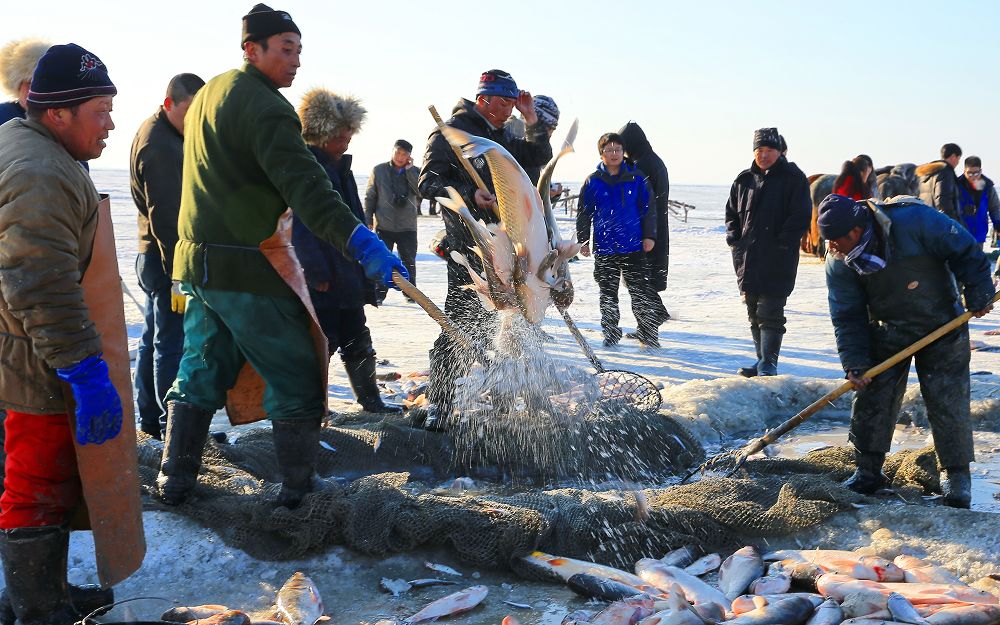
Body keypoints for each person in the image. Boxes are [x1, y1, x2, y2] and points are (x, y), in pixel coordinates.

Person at [157, 4, 406, 508]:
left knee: (203, 366)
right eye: (285, 50)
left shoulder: (210, 92)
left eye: (299, 51)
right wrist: (361, 242)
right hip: (246, 265)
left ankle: (174, 478)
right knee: (295, 369)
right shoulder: (266, 106)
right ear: (253, 49)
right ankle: (298, 486)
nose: (295, 61)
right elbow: (310, 190)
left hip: (199, 265)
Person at [0, 43, 120, 624]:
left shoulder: (31, 146)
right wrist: (83, 368)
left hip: (26, 340)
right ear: (58, 114)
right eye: (100, 111)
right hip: (29, 351)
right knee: (36, 478)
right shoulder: (40, 172)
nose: (111, 123)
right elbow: (38, 283)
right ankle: (37, 610)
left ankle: (45, 592)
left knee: (44, 475)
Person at [817, 193, 994, 508]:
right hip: (886, 330)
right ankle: (867, 471)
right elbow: (847, 315)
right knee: (873, 398)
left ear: (855, 230)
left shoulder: (913, 220)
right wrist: (855, 362)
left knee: (947, 399)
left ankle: (956, 477)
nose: (832, 247)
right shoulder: (839, 262)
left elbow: (965, 249)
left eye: (836, 240)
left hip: (943, 323)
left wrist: (978, 288)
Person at [417, 69, 552, 426]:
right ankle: (441, 404)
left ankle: (505, 395)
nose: (510, 110)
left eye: (513, 104)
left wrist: (532, 118)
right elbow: (427, 182)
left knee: (507, 321)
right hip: (469, 248)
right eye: (505, 103)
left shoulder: (502, 136)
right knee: (460, 322)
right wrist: (469, 195)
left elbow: (538, 155)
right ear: (484, 100)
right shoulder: (450, 133)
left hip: (506, 247)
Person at [293, 88, 402, 414]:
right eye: (341, 136)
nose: (347, 141)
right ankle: (311, 407)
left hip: (347, 269)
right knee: (322, 340)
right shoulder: (309, 165)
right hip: (324, 273)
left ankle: (370, 400)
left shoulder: (340, 166)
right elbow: (300, 223)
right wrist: (314, 269)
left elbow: (353, 215)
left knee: (356, 333)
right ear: (323, 134)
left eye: (349, 134)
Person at [130, 73, 205, 440]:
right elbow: (166, 216)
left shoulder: (170, 134)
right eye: (189, 110)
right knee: (170, 343)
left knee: (152, 340)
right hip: (165, 258)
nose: (194, 120)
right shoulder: (159, 144)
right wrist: (179, 274)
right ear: (169, 103)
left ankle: (149, 419)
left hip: (154, 254)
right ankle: (169, 426)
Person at [725, 127, 811, 377]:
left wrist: (783, 242)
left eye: (769, 150)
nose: (764, 155)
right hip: (747, 257)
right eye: (759, 150)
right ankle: (761, 360)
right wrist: (734, 239)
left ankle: (769, 364)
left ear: (780, 152)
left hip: (778, 258)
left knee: (771, 312)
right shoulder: (744, 180)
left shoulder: (793, 178)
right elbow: (731, 213)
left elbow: (801, 216)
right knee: (753, 310)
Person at [576, 132, 659, 347]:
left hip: (633, 245)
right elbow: (584, 212)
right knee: (607, 293)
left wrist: (649, 236)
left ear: (624, 152)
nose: (614, 154)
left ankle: (648, 335)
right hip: (605, 247)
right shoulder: (593, 181)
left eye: (618, 149)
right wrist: (584, 241)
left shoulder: (637, 177)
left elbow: (648, 209)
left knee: (640, 292)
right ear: (601, 154)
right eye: (609, 150)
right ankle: (611, 334)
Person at [619, 121, 671, 328]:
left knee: (640, 281)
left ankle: (651, 324)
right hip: (652, 230)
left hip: (643, 232)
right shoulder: (651, 161)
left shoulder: (642, 165)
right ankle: (647, 326)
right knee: (641, 281)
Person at [365, 139, 420, 300]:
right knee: (382, 261)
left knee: (408, 261)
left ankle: (411, 295)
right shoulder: (379, 170)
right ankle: (378, 294)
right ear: (393, 151)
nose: (400, 157)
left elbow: (420, 190)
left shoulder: (415, 171)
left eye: (404, 154)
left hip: (408, 226)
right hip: (384, 225)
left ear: (409, 157)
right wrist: (368, 217)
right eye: (398, 153)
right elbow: (370, 196)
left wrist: (410, 171)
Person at [504, 94, 560, 183]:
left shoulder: (536, 147)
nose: (550, 134)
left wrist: (554, 195)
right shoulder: (512, 131)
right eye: (549, 128)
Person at [0, 38, 49, 125]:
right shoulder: (3, 114)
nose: (37, 89)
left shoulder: (57, 120)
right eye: (30, 83)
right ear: (18, 86)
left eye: (45, 84)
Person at [956, 156, 1000, 248]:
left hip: (979, 234)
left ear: (981, 171)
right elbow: (948, 207)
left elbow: (995, 208)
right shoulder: (956, 185)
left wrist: (997, 225)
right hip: (959, 234)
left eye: (976, 173)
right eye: (969, 173)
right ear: (964, 171)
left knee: (977, 261)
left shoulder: (988, 186)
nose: (973, 176)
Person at [917, 143, 962, 223]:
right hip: (939, 224)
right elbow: (943, 201)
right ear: (953, 157)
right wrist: (952, 224)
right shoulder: (945, 172)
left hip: (925, 221)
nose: (958, 163)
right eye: (958, 159)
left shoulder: (926, 173)